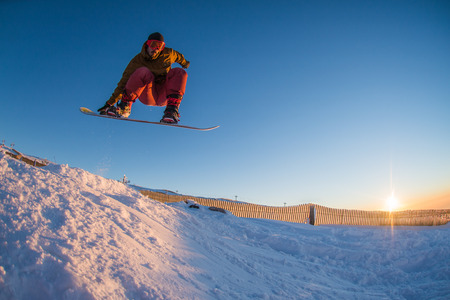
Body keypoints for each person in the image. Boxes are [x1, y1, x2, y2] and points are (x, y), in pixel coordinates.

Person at [98, 32, 190, 123]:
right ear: (147, 44)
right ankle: (125, 107)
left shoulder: (168, 54)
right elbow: (124, 82)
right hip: (148, 93)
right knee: (143, 71)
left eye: (160, 46)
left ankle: (171, 111)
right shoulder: (137, 61)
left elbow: (179, 57)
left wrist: (185, 63)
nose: (156, 49)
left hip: (164, 94)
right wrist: (109, 103)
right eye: (153, 45)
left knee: (179, 72)